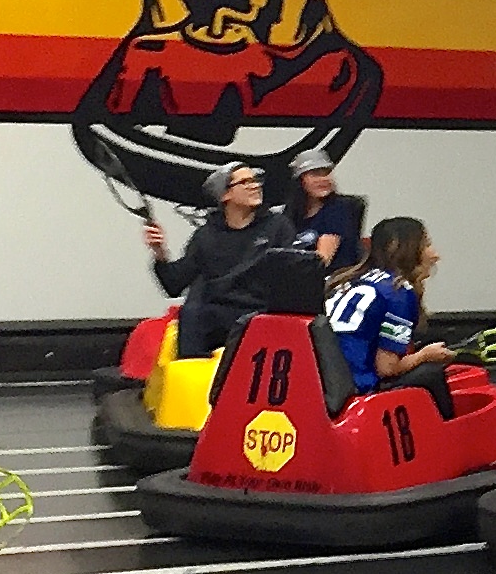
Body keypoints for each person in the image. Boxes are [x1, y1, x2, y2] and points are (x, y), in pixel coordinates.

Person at [146, 161, 300, 353]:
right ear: (225, 195)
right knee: (192, 313)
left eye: (256, 180)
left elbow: (290, 278)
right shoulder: (205, 235)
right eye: (245, 182)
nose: (255, 186)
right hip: (217, 316)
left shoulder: (279, 226)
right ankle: (193, 369)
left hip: (262, 313)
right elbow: (174, 284)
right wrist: (159, 251)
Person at [328, 216, 456, 404]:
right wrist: (424, 356)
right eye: (427, 245)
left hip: (326, 385)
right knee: (431, 373)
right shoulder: (397, 291)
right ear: (408, 251)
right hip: (358, 388)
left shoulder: (344, 280)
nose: (435, 255)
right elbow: (386, 368)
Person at [289, 150, 363, 271]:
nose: (323, 179)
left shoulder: (340, 208)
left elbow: (322, 261)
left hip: (333, 278)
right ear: (300, 180)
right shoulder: (290, 214)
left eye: (326, 173)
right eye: (315, 174)